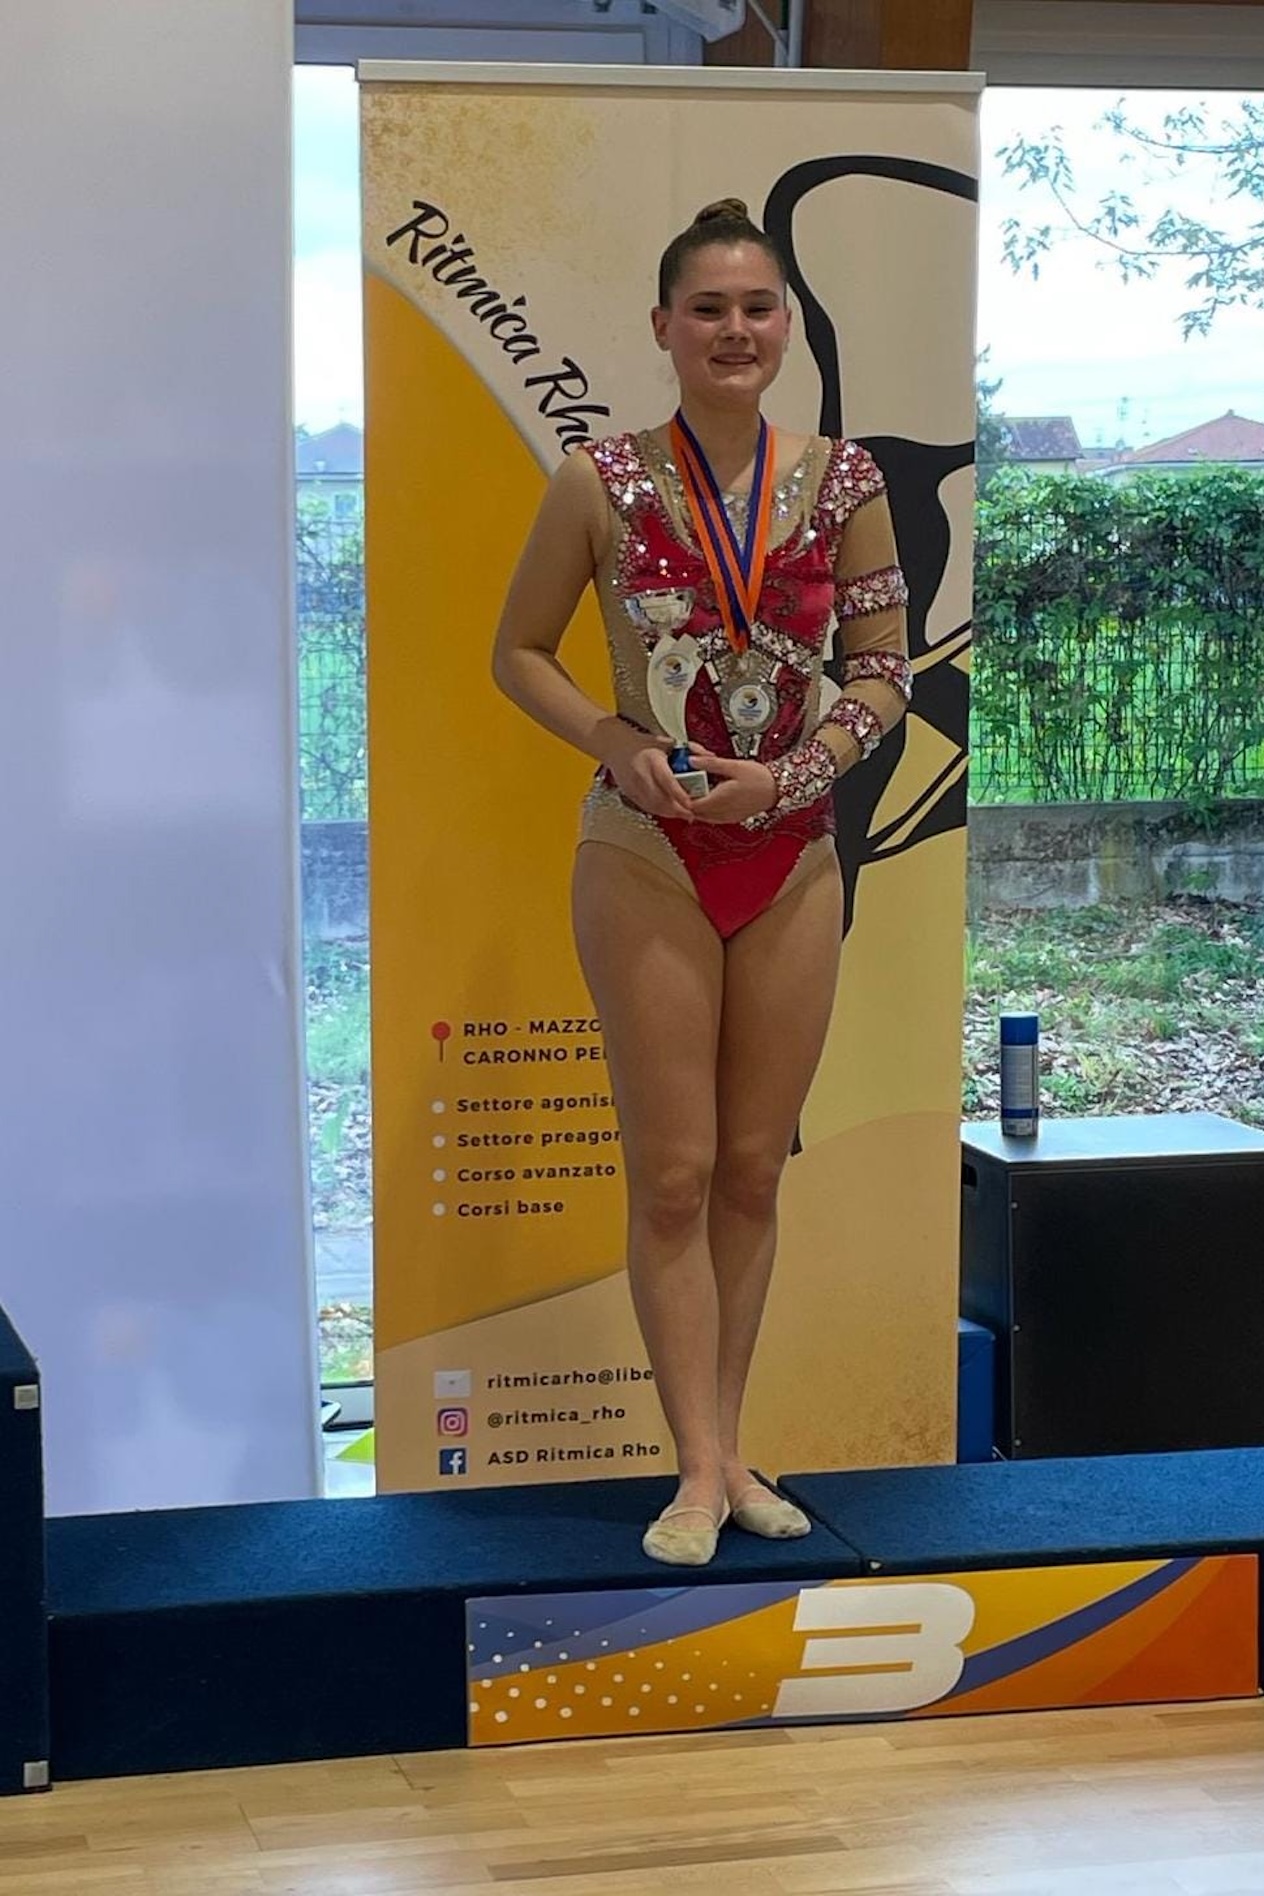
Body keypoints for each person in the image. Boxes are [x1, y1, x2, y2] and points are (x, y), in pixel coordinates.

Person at [492, 198, 910, 1566]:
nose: (737, 329)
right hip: (648, 851)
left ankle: (729, 1455)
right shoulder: (598, 481)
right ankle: (692, 1470)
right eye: (710, 308)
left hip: (792, 856)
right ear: (664, 327)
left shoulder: (846, 482)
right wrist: (618, 743)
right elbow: (519, 652)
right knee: (671, 1174)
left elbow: (883, 676)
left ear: (788, 327)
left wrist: (792, 780)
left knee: (748, 1171)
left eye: (759, 307)